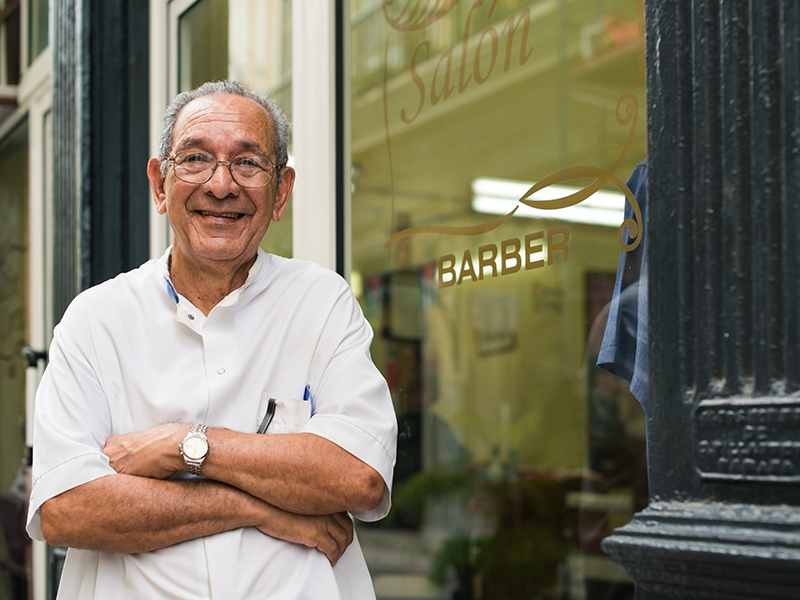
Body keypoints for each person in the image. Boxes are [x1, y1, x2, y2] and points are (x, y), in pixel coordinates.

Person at [25, 80, 398, 600]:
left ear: (281, 191)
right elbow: (67, 508)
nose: (222, 185)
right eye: (196, 159)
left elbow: (358, 476)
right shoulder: (95, 319)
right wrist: (263, 505)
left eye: (248, 163)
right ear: (160, 184)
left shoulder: (321, 302)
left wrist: (184, 445)